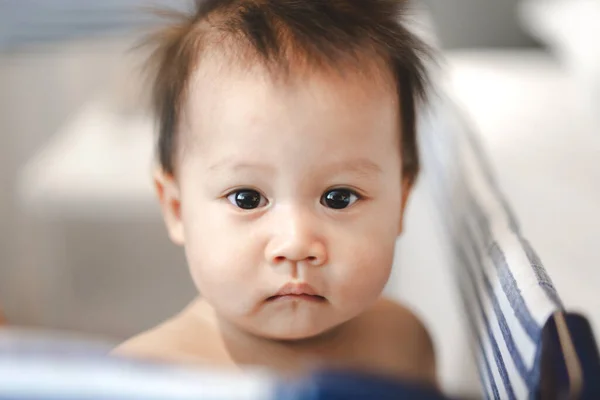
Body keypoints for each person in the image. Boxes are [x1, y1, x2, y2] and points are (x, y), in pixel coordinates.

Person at [114, 0, 437, 389]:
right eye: (247, 198)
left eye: (339, 197)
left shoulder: (403, 340)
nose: (296, 243)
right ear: (177, 208)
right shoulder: (146, 377)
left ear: (401, 204)